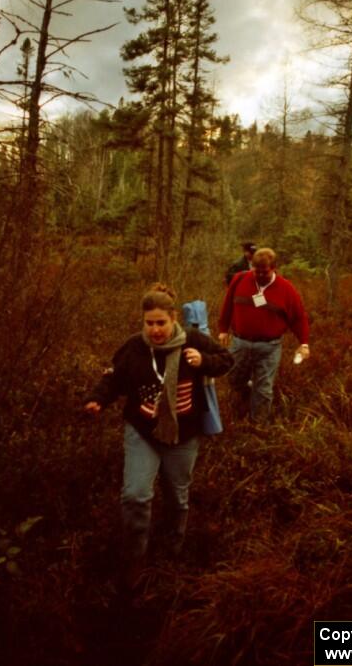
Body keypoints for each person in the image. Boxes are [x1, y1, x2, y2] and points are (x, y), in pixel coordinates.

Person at [84, 283, 233, 589]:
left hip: (184, 433)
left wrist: (203, 362)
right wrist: (98, 399)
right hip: (143, 431)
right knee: (136, 495)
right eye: (149, 323)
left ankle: (172, 551)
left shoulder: (192, 340)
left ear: (173, 318)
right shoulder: (133, 348)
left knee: (177, 496)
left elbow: (226, 360)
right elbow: (113, 379)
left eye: (161, 323)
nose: (155, 330)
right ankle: (135, 557)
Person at [218, 247, 310, 423]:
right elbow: (228, 305)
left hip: (269, 346)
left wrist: (304, 343)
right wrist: (223, 329)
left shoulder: (286, 289)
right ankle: (246, 399)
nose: (259, 275)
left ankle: (257, 426)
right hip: (240, 342)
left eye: (264, 271)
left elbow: (299, 318)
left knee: (264, 389)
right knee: (234, 380)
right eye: (255, 270)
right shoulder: (239, 279)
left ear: (274, 268)